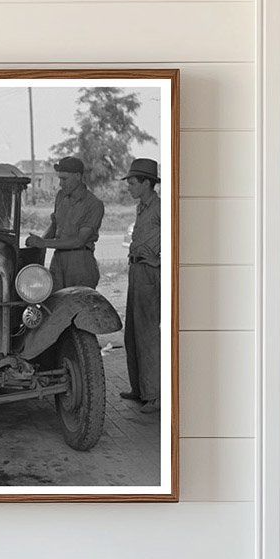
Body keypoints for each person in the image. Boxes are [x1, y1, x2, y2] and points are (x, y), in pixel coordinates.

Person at [23, 156, 103, 291]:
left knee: (79, 306)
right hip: (58, 260)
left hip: (80, 263)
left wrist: (44, 244)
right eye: (60, 178)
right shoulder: (61, 196)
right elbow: (54, 226)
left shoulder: (94, 204)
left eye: (64, 179)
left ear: (78, 176)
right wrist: (38, 243)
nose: (61, 183)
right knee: (54, 304)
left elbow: (79, 241)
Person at [120, 158, 161, 414]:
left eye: (133, 183)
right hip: (136, 271)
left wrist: (158, 259)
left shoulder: (159, 207)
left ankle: (155, 396)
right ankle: (140, 389)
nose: (129, 188)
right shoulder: (142, 208)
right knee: (132, 333)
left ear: (147, 183)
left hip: (150, 272)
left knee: (148, 335)